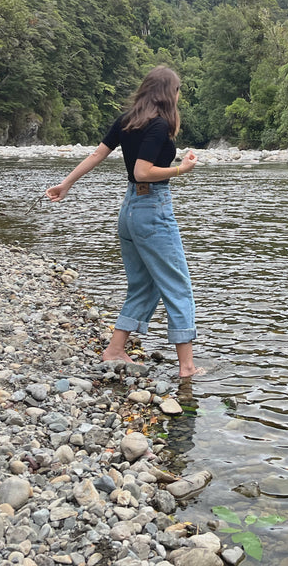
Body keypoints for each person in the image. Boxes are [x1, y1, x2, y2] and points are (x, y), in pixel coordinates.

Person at [46, 66, 203, 378]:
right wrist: (180, 170)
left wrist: (66, 184)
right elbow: (142, 172)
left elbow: (95, 156)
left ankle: (114, 350)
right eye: (177, 90)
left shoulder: (127, 121)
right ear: (168, 93)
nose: (179, 95)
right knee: (178, 286)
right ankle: (187, 368)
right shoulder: (158, 125)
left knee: (144, 285)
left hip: (129, 211)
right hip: (153, 211)